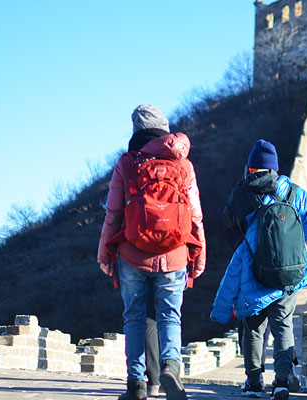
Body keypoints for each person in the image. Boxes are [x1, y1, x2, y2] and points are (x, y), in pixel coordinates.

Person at [98, 104, 206, 400]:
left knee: (134, 317)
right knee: (170, 316)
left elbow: (113, 214)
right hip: (175, 253)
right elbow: (196, 216)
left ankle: (136, 384)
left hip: (132, 254)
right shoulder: (184, 165)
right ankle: (171, 367)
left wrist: (104, 253)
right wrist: (199, 255)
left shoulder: (127, 162)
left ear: (136, 131)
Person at [210, 139, 307, 400]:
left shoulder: (241, 194)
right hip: (289, 272)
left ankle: (254, 383)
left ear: (250, 168)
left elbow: (229, 223)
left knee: (253, 328)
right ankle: (281, 382)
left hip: (253, 272)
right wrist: (288, 241)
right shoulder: (295, 193)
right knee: (283, 325)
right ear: (275, 168)